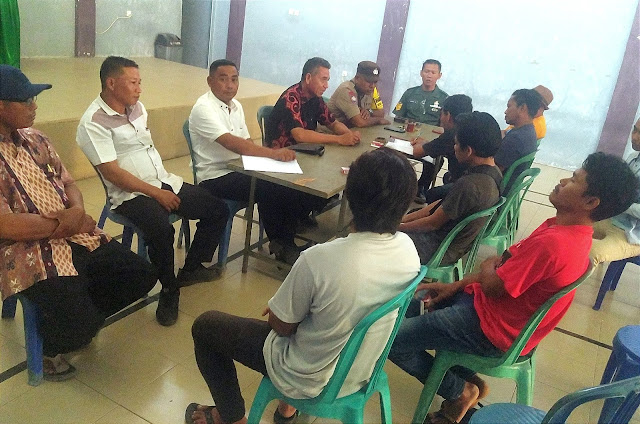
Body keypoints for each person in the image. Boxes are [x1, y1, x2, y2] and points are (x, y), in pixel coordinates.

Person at [389, 152, 638, 424]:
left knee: (389, 340)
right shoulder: (565, 231)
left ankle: (460, 391)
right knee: (409, 304)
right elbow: (501, 271)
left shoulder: (555, 244)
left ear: (590, 202)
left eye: (574, 180)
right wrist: (456, 285)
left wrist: (488, 265)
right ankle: (463, 376)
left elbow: (494, 283)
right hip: (485, 308)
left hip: (489, 329)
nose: (563, 181)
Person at [185, 148, 421, 424]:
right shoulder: (409, 251)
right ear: (406, 204)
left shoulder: (320, 259)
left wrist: (283, 310)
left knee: (206, 326)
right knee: (319, 317)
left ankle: (230, 417)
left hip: (308, 377)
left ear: (348, 194)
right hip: (363, 368)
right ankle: (286, 410)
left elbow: (281, 326)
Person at [0, 65, 157, 380]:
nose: (34, 106)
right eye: (26, 100)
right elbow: (7, 226)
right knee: (80, 318)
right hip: (24, 250)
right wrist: (68, 223)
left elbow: (69, 183)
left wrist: (77, 210)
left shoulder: (36, 139)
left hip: (75, 234)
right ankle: (52, 347)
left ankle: (75, 320)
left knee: (141, 274)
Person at [77, 56, 229, 327]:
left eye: (140, 82)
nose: (139, 89)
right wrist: (156, 194)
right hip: (129, 195)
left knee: (217, 209)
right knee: (161, 230)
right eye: (133, 83)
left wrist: (162, 187)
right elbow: (113, 173)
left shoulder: (137, 108)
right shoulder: (93, 122)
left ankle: (192, 268)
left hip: (163, 180)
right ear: (111, 83)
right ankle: (169, 290)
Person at [189, 59, 325, 265]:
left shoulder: (236, 106)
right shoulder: (203, 108)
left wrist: (266, 159)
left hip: (241, 168)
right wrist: (272, 154)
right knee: (272, 185)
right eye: (223, 79)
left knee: (285, 180)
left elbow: (246, 142)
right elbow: (233, 144)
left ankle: (284, 240)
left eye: (234, 79)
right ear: (210, 81)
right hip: (216, 175)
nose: (230, 85)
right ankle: (282, 245)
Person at [400, 111, 502, 266]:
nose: (454, 148)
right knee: (410, 215)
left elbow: (431, 223)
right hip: (451, 241)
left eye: (456, 144)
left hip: (439, 249)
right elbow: (443, 204)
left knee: (382, 239)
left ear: (468, 151)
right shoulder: (494, 172)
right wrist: (403, 220)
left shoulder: (469, 185)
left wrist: (398, 228)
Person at [265, 57, 361, 149]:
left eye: (327, 80)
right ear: (308, 78)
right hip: (282, 153)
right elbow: (300, 135)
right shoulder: (291, 98)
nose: (326, 86)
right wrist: (339, 139)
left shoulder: (315, 98)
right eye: (323, 79)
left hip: (305, 150)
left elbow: (333, 124)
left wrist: (349, 135)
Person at [590, 117, 640, 265]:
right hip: (614, 220)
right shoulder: (632, 158)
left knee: (592, 253)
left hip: (633, 235)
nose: (634, 137)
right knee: (565, 227)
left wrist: (622, 204)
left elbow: (623, 199)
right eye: (635, 130)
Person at [411, 94, 473, 203]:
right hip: (473, 179)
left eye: (442, 113)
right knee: (445, 175)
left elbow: (417, 152)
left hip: (463, 185)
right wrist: (427, 143)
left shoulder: (451, 135)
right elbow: (438, 146)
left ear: (448, 116)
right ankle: (421, 187)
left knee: (432, 194)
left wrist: (417, 143)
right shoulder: (468, 130)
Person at [495, 89, 541, 190]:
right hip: (509, 189)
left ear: (522, 108)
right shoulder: (529, 132)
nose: (505, 111)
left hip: (496, 191)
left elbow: (493, 170)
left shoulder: (516, 138)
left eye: (509, 106)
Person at [327, 60, 390, 127]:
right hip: (330, 132)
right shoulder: (346, 90)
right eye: (369, 81)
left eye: (375, 82)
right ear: (357, 78)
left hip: (350, 130)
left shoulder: (370, 89)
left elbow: (380, 114)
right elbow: (359, 122)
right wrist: (378, 120)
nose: (372, 85)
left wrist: (368, 113)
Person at [393, 59, 448, 126]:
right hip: (409, 130)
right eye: (426, 71)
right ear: (421, 73)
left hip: (431, 132)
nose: (429, 75)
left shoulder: (444, 98)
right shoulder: (409, 93)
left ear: (439, 75)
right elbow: (398, 116)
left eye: (433, 73)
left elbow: (445, 124)